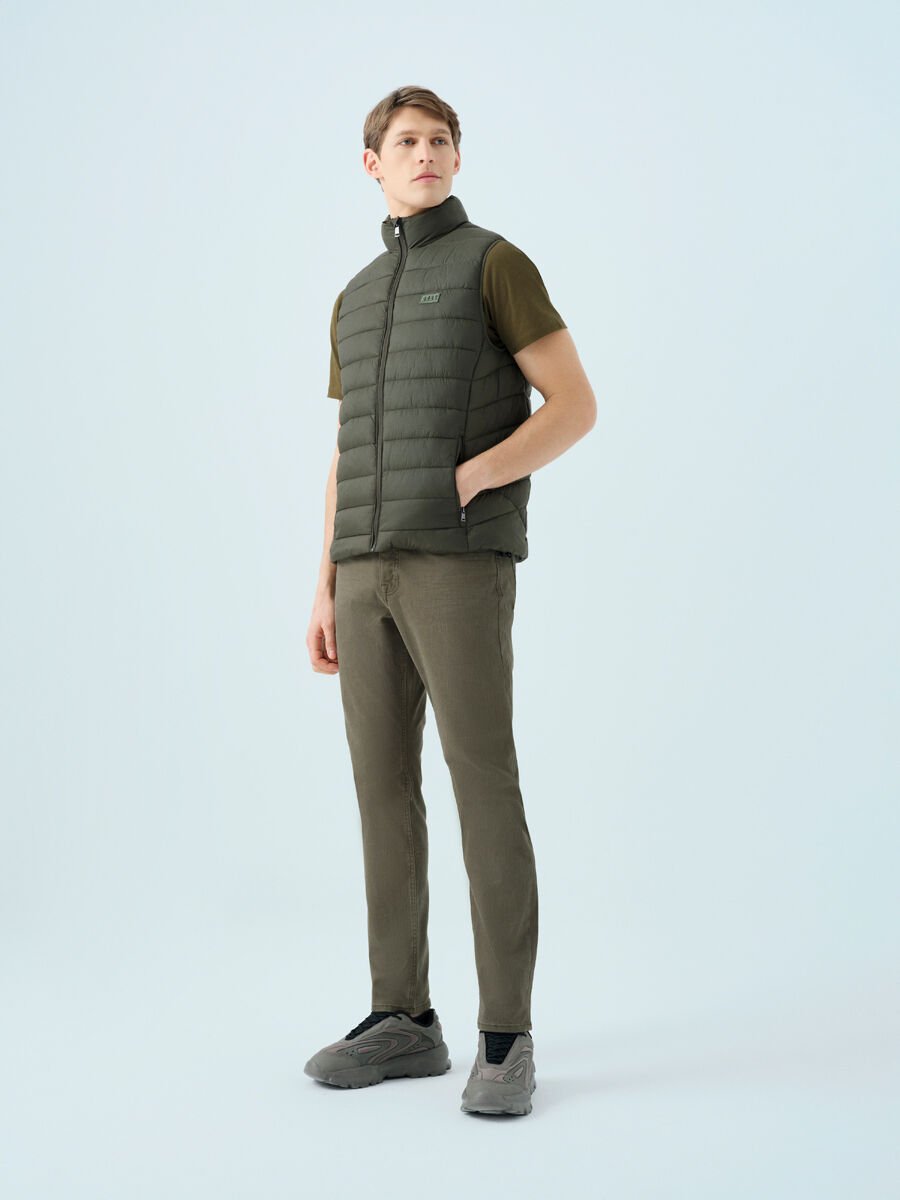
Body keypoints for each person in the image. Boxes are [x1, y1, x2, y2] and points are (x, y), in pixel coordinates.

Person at [303, 86, 596, 1116]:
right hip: (364, 571)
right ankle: (404, 1019)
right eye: (405, 141)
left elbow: (574, 405)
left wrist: (474, 477)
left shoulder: (494, 264)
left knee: (483, 783)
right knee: (382, 790)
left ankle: (505, 1037)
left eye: (439, 140)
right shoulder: (353, 295)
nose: (423, 154)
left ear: (457, 159)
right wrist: (325, 581)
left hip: (459, 563)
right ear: (373, 164)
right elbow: (347, 448)